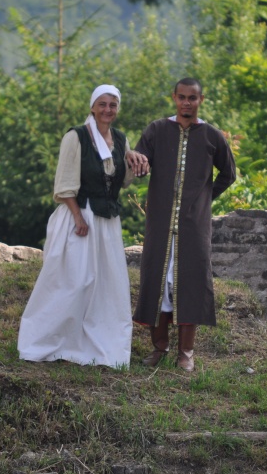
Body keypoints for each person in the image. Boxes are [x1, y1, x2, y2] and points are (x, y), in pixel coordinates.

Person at [17, 84, 146, 368]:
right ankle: (48, 341)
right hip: (80, 216)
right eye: (102, 104)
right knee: (72, 281)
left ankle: (99, 345)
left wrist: (136, 161)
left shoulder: (121, 139)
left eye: (113, 105)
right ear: (92, 107)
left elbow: (121, 181)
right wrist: (77, 217)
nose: (107, 109)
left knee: (107, 284)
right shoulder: (76, 137)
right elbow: (63, 185)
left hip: (107, 222)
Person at [128, 77, 236, 372]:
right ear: (174, 98)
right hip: (160, 223)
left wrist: (205, 197)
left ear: (201, 100)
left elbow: (228, 174)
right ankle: (159, 347)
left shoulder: (212, 136)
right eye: (182, 97)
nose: (187, 102)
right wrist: (137, 164)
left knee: (189, 283)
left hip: (194, 226)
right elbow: (140, 164)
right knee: (159, 282)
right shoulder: (156, 130)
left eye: (193, 98)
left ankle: (186, 352)